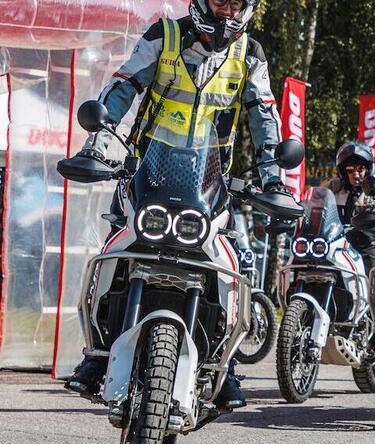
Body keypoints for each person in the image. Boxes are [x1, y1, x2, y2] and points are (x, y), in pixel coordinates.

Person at [64, 0, 282, 410]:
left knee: (238, 262)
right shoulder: (164, 36)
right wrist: (97, 145)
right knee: (114, 246)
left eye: (236, 4)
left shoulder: (250, 54)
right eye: (220, 1)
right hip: (148, 172)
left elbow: (264, 115)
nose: (227, 11)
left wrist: (274, 178)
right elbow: (123, 85)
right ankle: (95, 356)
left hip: (210, 183)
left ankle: (227, 365)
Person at [326, 141, 375, 271]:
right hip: (338, 245)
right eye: (350, 170)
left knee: (374, 271)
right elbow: (315, 203)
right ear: (343, 172)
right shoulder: (334, 189)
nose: (355, 174)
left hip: (369, 245)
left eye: (360, 169)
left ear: (368, 170)